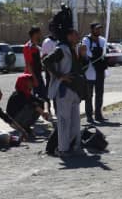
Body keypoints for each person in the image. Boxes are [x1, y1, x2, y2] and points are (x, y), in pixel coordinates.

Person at [45, 26, 84, 157]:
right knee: (63, 121)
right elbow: (46, 61)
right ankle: (62, 149)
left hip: (74, 90)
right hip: (64, 90)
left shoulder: (73, 49)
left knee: (75, 122)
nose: (78, 37)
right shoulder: (61, 49)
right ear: (69, 36)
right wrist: (60, 75)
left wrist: (83, 56)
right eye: (75, 34)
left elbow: (80, 69)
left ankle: (73, 145)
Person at [80, 22, 108, 123]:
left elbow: (105, 52)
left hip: (100, 71)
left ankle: (98, 114)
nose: (98, 31)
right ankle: (89, 116)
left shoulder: (102, 40)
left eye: (99, 29)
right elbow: (87, 53)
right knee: (89, 95)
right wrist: (96, 55)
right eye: (96, 29)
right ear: (92, 30)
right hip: (90, 72)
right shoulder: (86, 40)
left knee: (99, 94)